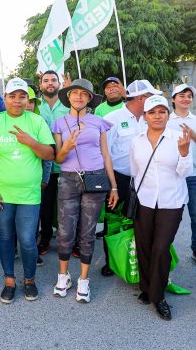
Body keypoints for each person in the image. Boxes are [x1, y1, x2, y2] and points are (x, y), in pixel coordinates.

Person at [0, 78, 56, 304]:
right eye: (12, 96)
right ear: (6, 97)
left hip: (29, 194)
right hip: (2, 194)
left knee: (27, 240)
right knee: (5, 237)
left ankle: (29, 280)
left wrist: (30, 141)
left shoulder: (37, 121)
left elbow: (50, 155)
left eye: (22, 96)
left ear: (27, 99)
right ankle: (10, 280)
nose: (17, 101)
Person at [51, 79, 117, 303]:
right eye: (75, 93)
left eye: (84, 94)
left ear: (90, 99)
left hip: (95, 178)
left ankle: (84, 280)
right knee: (64, 230)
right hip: (68, 179)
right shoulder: (59, 123)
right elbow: (58, 158)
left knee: (88, 232)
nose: (79, 96)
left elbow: (106, 155)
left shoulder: (99, 122)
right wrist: (67, 146)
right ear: (68, 97)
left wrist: (114, 186)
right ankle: (63, 276)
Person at [129, 95, 192, 320]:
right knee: (144, 246)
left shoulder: (179, 138)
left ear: (168, 114)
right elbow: (134, 171)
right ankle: (147, 288)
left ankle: (158, 296)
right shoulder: (137, 140)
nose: (157, 116)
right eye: (152, 112)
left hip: (171, 201)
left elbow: (186, 172)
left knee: (161, 248)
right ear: (144, 116)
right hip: (145, 200)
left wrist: (184, 153)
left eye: (162, 112)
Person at [101, 79, 160, 276]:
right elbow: (105, 153)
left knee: (141, 219)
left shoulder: (149, 118)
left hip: (145, 178)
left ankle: (136, 259)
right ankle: (111, 262)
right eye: (151, 97)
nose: (154, 103)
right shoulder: (112, 118)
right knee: (114, 220)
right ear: (142, 98)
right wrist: (112, 185)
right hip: (119, 178)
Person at [166, 84, 196, 268]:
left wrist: (194, 136)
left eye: (189, 96)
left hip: (193, 175)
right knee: (169, 215)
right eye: (181, 95)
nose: (186, 99)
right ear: (173, 99)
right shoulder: (165, 119)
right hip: (172, 174)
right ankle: (164, 248)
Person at [37, 70, 70, 256]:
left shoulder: (67, 104)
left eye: (53, 80)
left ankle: (68, 239)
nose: (50, 83)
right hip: (43, 164)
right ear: (41, 84)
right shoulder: (35, 106)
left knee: (67, 205)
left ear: (59, 83)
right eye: (46, 80)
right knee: (46, 205)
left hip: (67, 162)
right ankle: (45, 237)